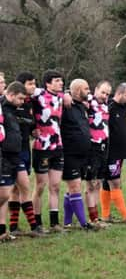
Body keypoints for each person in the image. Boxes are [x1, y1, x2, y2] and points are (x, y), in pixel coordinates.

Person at [61, 79, 99, 230]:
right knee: (75, 186)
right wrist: (64, 94)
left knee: (73, 187)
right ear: (76, 91)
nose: (89, 91)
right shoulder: (65, 104)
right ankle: (84, 224)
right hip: (70, 153)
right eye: (86, 88)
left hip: (83, 153)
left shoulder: (82, 105)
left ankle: (67, 223)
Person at [31, 70, 65, 233]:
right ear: (48, 83)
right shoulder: (37, 94)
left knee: (56, 186)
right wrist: (31, 129)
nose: (61, 83)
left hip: (57, 147)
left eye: (61, 80)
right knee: (41, 186)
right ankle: (36, 223)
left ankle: (54, 223)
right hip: (41, 147)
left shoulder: (61, 96)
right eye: (57, 81)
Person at [8, 72, 38, 235]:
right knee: (23, 186)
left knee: (17, 189)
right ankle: (34, 227)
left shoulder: (30, 103)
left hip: (26, 148)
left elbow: (29, 124)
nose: (33, 86)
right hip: (14, 150)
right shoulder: (9, 105)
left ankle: (14, 226)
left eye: (34, 83)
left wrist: (34, 131)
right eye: (30, 83)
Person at [1, 82, 31, 240]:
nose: (22, 102)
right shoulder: (2, 106)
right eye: (20, 98)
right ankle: (3, 230)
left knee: (25, 185)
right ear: (11, 95)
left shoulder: (14, 109)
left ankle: (33, 227)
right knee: (4, 194)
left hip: (16, 154)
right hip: (4, 155)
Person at [99, 83, 126, 222]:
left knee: (108, 183)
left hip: (121, 151)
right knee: (115, 181)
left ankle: (106, 215)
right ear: (118, 94)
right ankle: (125, 215)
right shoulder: (110, 107)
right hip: (110, 151)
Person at [84, 80, 111, 226]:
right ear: (96, 90)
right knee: (90, 184)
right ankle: (92, 218)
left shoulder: (107, 105)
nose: (104, 96)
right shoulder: (87, 100)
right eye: (102, 92)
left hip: (104, 146)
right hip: (91, 147)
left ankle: (96, 217)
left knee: (98, 182)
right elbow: (72, 94)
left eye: (107, 93)